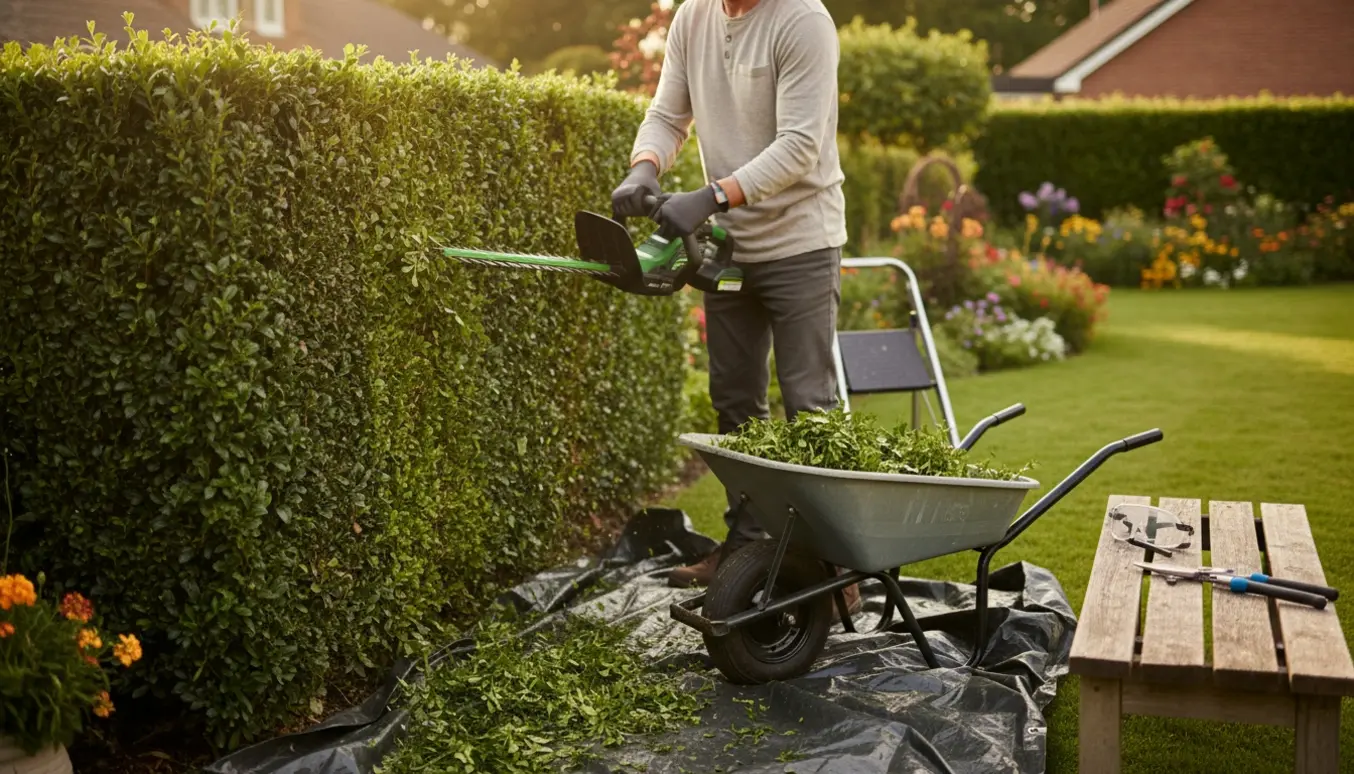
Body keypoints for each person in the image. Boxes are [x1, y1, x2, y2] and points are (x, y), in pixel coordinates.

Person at [610, 0, 858, 612]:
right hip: (729, 251)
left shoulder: (802, 21)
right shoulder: (692, 17)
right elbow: (668, 115)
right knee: (735, 403)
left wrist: (712, 195)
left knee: (810, 406)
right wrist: (644, 168)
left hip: (802, 243)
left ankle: (834, 567)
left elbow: (800, 145)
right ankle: (746, 546)